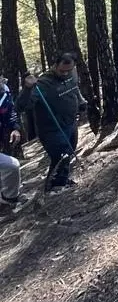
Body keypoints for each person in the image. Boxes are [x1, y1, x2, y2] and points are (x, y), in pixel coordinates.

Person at [17, 53, 87, 192]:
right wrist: (27, 88)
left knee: (67, 153)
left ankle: (61, 181)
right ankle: (54, 187)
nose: (65, 73)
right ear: (55, 65)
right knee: (61, 155)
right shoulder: (42, 83)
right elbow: (22, 106)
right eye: (62, 70)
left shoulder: (71, 74)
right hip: (51, 129)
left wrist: (81, 101)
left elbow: (74, 89)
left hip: (70, 123)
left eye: (69, 70)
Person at [0, 76, 22, 206]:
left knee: (11, 166)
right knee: (11, 165)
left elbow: (10, 111)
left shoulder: (5, 92)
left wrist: (15, 128)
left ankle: (8, 199)